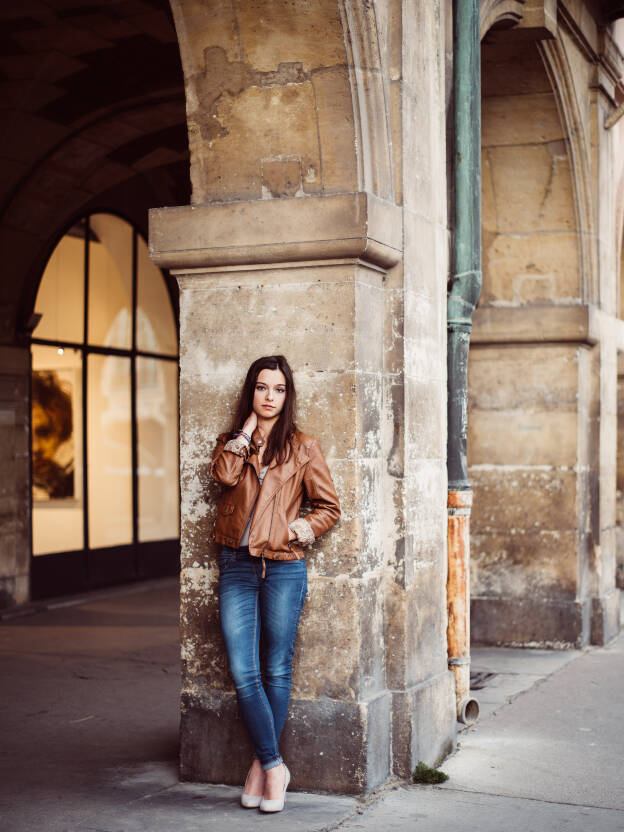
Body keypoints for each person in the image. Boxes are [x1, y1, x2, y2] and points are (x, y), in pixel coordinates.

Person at [209, 355, 340, 812]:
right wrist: (245, 434)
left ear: (288, 394)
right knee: (244, 671)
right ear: (251, 393)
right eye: (262, 388)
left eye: (278, 389)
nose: (269, 397)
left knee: (276, 668)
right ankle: (273, 764)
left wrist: (293, 530)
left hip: (283, 566)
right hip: (237, 565)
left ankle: (258, 769)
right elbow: (224, 476)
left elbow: (329, 508)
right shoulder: (233, 444)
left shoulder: (304, 447)